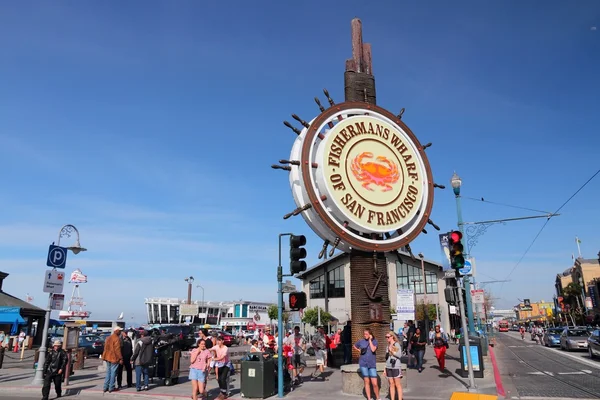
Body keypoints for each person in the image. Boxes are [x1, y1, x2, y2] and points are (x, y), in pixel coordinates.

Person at [354, 328, 380, 400]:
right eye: (364, 334)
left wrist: (370, 340)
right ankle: (369, 398)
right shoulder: (361, 341)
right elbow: (355, 345)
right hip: (363, 363)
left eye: (366, 334)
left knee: (374, 383)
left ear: (370, 334)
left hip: (372, 364)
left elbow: (373, 349)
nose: (365, 335)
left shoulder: (375, 341)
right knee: (366, 381)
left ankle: (378, 397)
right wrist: (359, 350)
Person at [102, 326, 124, 393]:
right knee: (113, 373)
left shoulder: (108, 338)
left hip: (107, 357)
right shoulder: (117, 339)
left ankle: (105, 387)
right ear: (116, 331)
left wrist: (104, 356)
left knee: (108, 372)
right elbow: (117, 350)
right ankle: (111, 387)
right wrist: (121, 358)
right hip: (114, 358)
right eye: (119, 330)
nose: (120, 332)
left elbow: (105, 348)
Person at [384, 332, 403, 400]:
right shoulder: (388, 345)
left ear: (392, 337)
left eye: (388, 337)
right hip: (389, 366)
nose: (387, 338)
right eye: (386, 337)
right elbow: (386, 358)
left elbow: (399, 355)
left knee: (397, 384)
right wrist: (385, 368)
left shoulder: (396, 344)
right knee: (391, 384)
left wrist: (391, 351)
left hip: (395, 366)